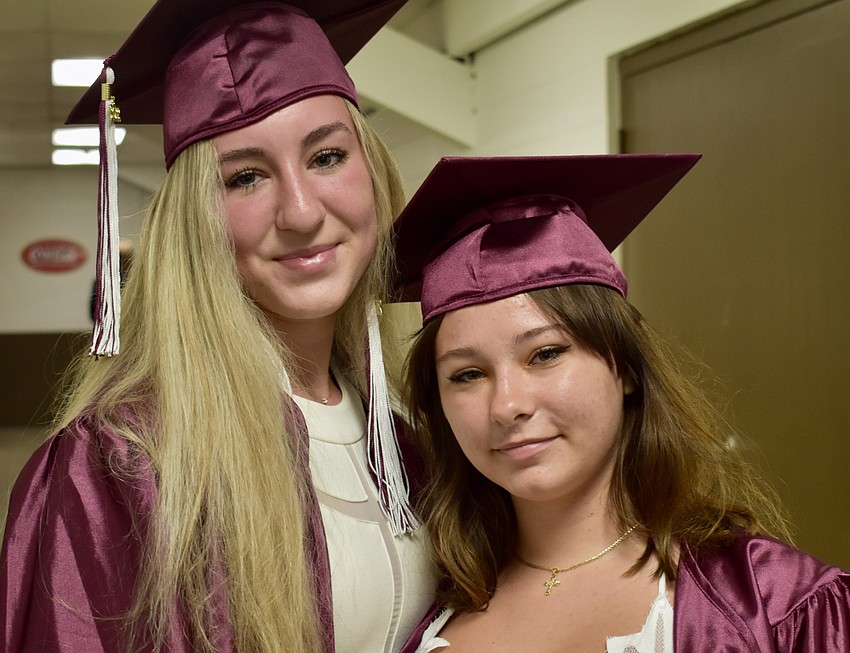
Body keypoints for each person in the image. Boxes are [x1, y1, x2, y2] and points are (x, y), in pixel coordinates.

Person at [0, 2, 436, 652]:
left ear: (372, 173)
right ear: (196, 221)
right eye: (246, 177)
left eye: (326, 157)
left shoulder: (404, 441)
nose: (300, 210)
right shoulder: (124, 465)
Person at [392, 154, 850, 652]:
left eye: (545, 354)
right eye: (468, 374)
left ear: (626, 367)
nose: (507, 405)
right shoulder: (425, 617)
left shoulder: (777, 605)